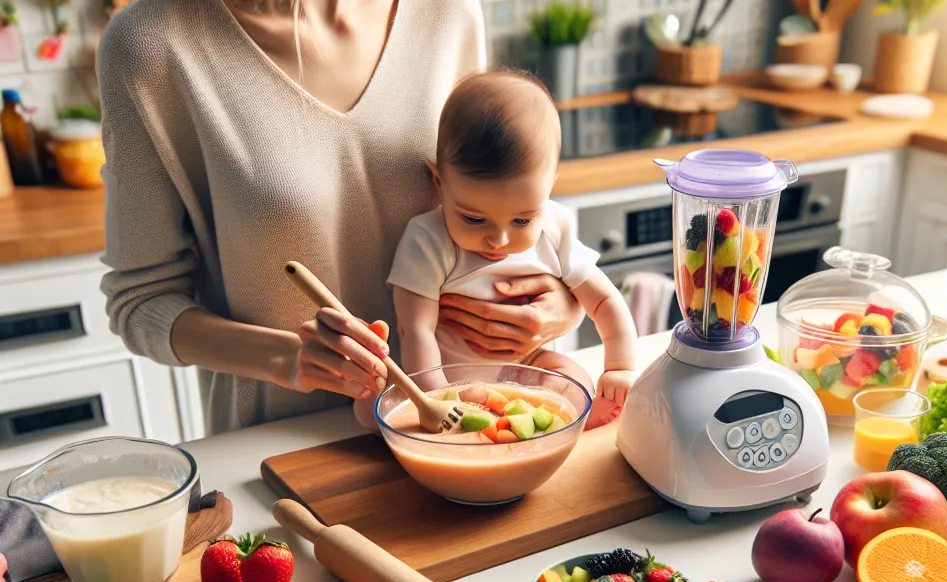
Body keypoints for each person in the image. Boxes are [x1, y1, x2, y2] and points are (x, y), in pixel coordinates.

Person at [97, 0, 584, 434]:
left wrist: (564, 302)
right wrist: (289, 359)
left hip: (466, 428)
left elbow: (495, 203)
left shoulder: (448, 13)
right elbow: (141, 302)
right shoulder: (149, 46)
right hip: (289, 444)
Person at [386, 70, 637, 427]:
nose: (499, 240)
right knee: (385, 405)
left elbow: (605, 300)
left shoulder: (554, 228)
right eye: (474, 219)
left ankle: (568, 422)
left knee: (569, 379)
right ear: (439, 184)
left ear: (549, 188)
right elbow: (415, 331)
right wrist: (439, 399)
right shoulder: (427, 240)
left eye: (522, 221)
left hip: (528, 367)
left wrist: (620, 367)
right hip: (454, 379)